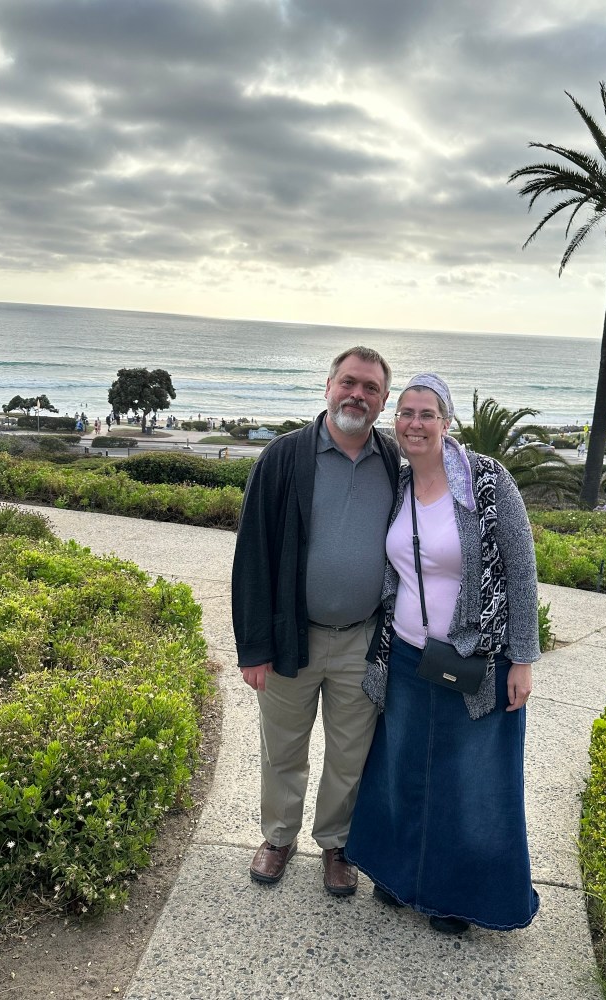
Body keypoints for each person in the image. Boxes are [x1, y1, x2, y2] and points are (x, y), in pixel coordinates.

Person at [346, 373, 541, 935]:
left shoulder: (486, 481)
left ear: (447, 421)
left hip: (476, 662)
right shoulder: (400, 481)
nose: (415, 423)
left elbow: (522, 572)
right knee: (403, 771)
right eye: (406, 413)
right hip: (408, 658)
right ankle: (398, 876)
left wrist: (523, 660)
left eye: (427, 413)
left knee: (471, 784)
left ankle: (457, 898)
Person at [232, 346, 401, 896]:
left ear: (383, 401)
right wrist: (253, 646)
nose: (357, 395)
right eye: (348, 382)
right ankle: (278, 838)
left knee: (350, 755)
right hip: (291, 637)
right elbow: (252, 553)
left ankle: (336, 845)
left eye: (370, 388)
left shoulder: (393, 462)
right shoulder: (283, 457)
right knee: (283, 749)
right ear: (328, 387)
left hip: (361, 639)